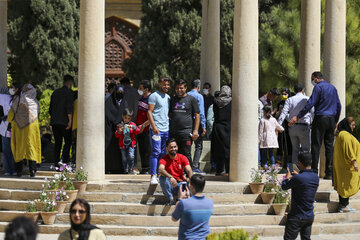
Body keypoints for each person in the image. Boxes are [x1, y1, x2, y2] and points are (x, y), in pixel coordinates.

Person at [289, 71, 341, 178]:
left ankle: (314, 171)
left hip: (321, 118)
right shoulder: (333, 88)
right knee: (329, 146)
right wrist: (336, 121)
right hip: (331, 119)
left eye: (312, 79)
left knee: (316, 145)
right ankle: (329, 172)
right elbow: (338, 105)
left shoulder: (318, 87)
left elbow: (311, 103)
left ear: (317, 78)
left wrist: (298, 116)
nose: (312, 82)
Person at [282, 152, 319, 240]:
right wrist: (298, 175)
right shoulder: (315, 177)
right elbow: (305, 181)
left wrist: (287, 177)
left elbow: (284, 186)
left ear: (299, 163)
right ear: (311, 161)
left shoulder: (297, 178)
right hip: (309, 216)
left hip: (296, 216)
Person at [7, 83, 41, 177]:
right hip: (32, 129)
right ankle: (32, 171)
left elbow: (11, 115)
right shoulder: (35, 102)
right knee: (31, 147)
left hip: (19, 128)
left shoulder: (18, 99)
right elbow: (38, 113)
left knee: (19, 148)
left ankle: (19, 171)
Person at [278, 83, 314, 171]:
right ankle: (306, 168)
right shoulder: (307, 98)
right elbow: (312, 111)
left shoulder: (290, 99)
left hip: (292, 127)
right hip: (304, 126)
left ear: (294, 91)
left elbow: (284, 113)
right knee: (306, 149)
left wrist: (280, 125)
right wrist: (310, 121)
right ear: (303, 90)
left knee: (295, 149)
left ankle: (294, 169)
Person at [172, 174, 213, 240]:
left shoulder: (183, 203)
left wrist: (179, 199)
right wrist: (188, 198)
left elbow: (174, 218)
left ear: (191, 187)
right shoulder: (210, 203)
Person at [170, 79, 200, 169]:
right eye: (177, 88)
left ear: (186, 88)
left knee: (186, 154)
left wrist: (195, 130)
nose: (179, 90)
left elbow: (197, 115)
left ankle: (189, 176)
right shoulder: (172, 99)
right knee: (174, 154)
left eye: (181, 88)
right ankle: (177, 174)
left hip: (186, 132)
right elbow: (170, 114)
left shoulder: (191, 99)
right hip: (174, 132)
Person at [147, 76, 171, 185]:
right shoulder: (154, 96)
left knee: (162, 152)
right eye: (164, 84)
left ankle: (159, 173)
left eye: (167, 84)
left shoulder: (168, 97)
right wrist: (154, 126)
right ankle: (153, 175)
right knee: (155, 152)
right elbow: (149, 112)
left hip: (166, 129)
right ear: (159, 84)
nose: (166, 86)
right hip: (156, 130)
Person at [333, 117, 359, 212]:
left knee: (344, 184)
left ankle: (343, 204)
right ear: (347, 125)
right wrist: (354, 162)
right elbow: (349, 150)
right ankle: (344, 206)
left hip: (344, 165)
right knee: (346, 184)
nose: (354, 127)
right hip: (347, 165)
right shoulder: (345, 135)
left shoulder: (342, 134)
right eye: (352, 125)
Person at [158, 138, 193, 205]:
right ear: (167, 149)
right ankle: (170, 199)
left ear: (177, 147)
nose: (173, 149)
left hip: (180, 184)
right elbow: (160, 169)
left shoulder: (183, 157)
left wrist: (191, 181)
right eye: (171, 147)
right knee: (162, 178)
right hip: (169, 186)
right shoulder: (164, 159)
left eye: (175, 147)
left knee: (188, 183)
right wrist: (170, 177)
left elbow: (189, 170)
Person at [49, 75, 74, 167]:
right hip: (65, 122)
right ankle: (64, 161)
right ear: (70, 83)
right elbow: (69, 107)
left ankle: (56, 163)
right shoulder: (69, 92)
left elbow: (50, 109)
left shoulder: (55, 92)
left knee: (57, 143)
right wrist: (70, 120)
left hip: (55, 122)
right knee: (67, 142)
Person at [105, 85, 128, 173]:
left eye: (122, 93)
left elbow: (126, 115)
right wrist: (115, 122)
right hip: (110, 130)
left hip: (121, 130)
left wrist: (121, 123)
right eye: (118, 93)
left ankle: (121, 168)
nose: (120, 95)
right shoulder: (109, 102)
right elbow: (107, 114)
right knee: (110, 149)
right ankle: (109, 168)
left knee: (120, 150)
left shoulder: (125, 103)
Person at [211, 86, 232, 175]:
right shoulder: (231, 102)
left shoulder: (216, 102)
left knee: (218, 149)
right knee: (228, 150)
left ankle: (219, 170)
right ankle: (228, 170)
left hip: (217, 127)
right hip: (227, 127)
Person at [187, 79, 206, 173]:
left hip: (187, 122)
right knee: (198, 145)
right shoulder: (199, 96)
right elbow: (201, 113)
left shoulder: (187, 95)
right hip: (196, 123)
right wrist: (204, 126)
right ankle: (194, 166)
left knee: (188, 145)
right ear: (198, 86)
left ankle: (187, 165)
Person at [115, 108, 140, 174]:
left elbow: (138, 131)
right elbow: (116, 135)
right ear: (123, 116)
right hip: (122, 144)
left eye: (129, 118)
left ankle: (131, 168)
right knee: (124, 158)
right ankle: (125, 169)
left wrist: (133, 128)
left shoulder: (132, 124)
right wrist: (119, 132)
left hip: (131, 144)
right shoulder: (120, 125)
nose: (127, 120)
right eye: (125, 118)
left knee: (131, 156)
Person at [136, 80, 152, 174]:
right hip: (139, 129)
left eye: (141, 89)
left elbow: (152, 116)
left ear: (146, 89)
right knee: (141, 149)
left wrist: (144, 125)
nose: (139, 90)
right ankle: (143, 168)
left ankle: (148, 168)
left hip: (147, 128)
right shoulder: (141, 98)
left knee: (147, 150)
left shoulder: (151, 99)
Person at [0, 88, 15, 175]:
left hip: (15, 128)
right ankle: (7, 170)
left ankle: (14, 169)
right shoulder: (6, 98)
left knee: (14, 151)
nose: (12, 89)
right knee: (6, 150)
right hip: (5, 128)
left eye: (14, 87)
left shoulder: (20, 99)